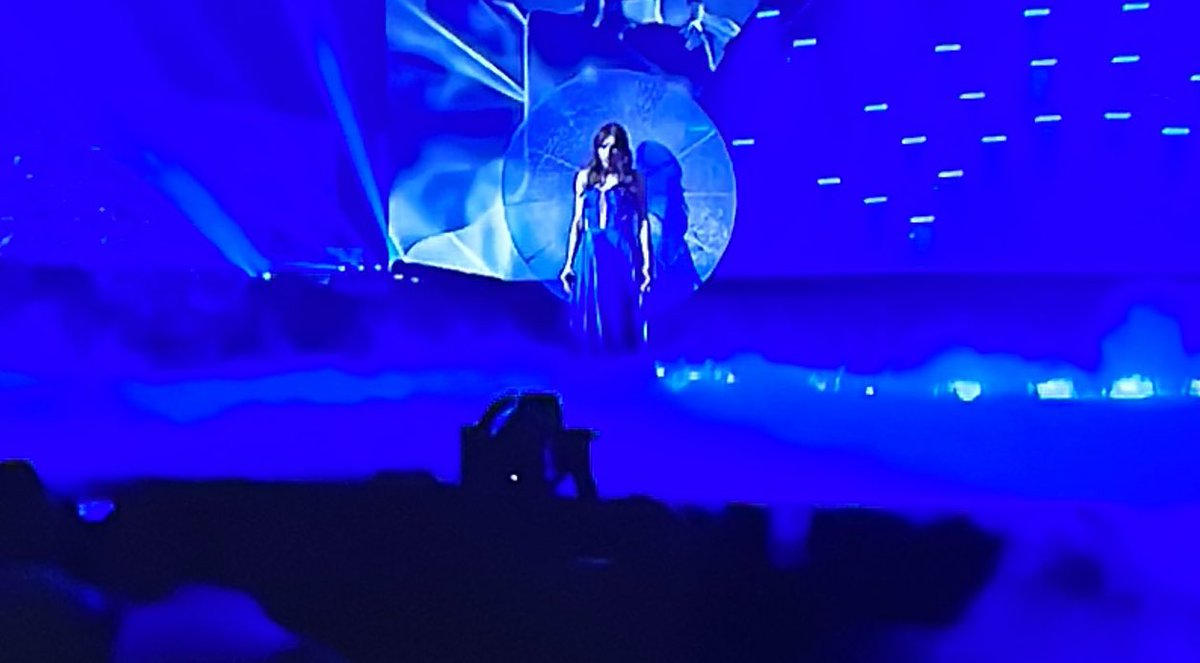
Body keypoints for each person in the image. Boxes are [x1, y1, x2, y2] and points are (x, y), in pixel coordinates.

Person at [559, 123, 652, 352]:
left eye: (613, 148)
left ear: (623, 151)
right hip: (591, 251)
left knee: (620, 310)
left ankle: (623, 366)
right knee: (590, 311)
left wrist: (647, 264)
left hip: (621, 248)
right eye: (603, 147)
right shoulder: (584, 177)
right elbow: (577, 222)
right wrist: (568, 263)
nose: (608, 154)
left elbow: (642, 221)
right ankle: (592, 368)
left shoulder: (633, 180)